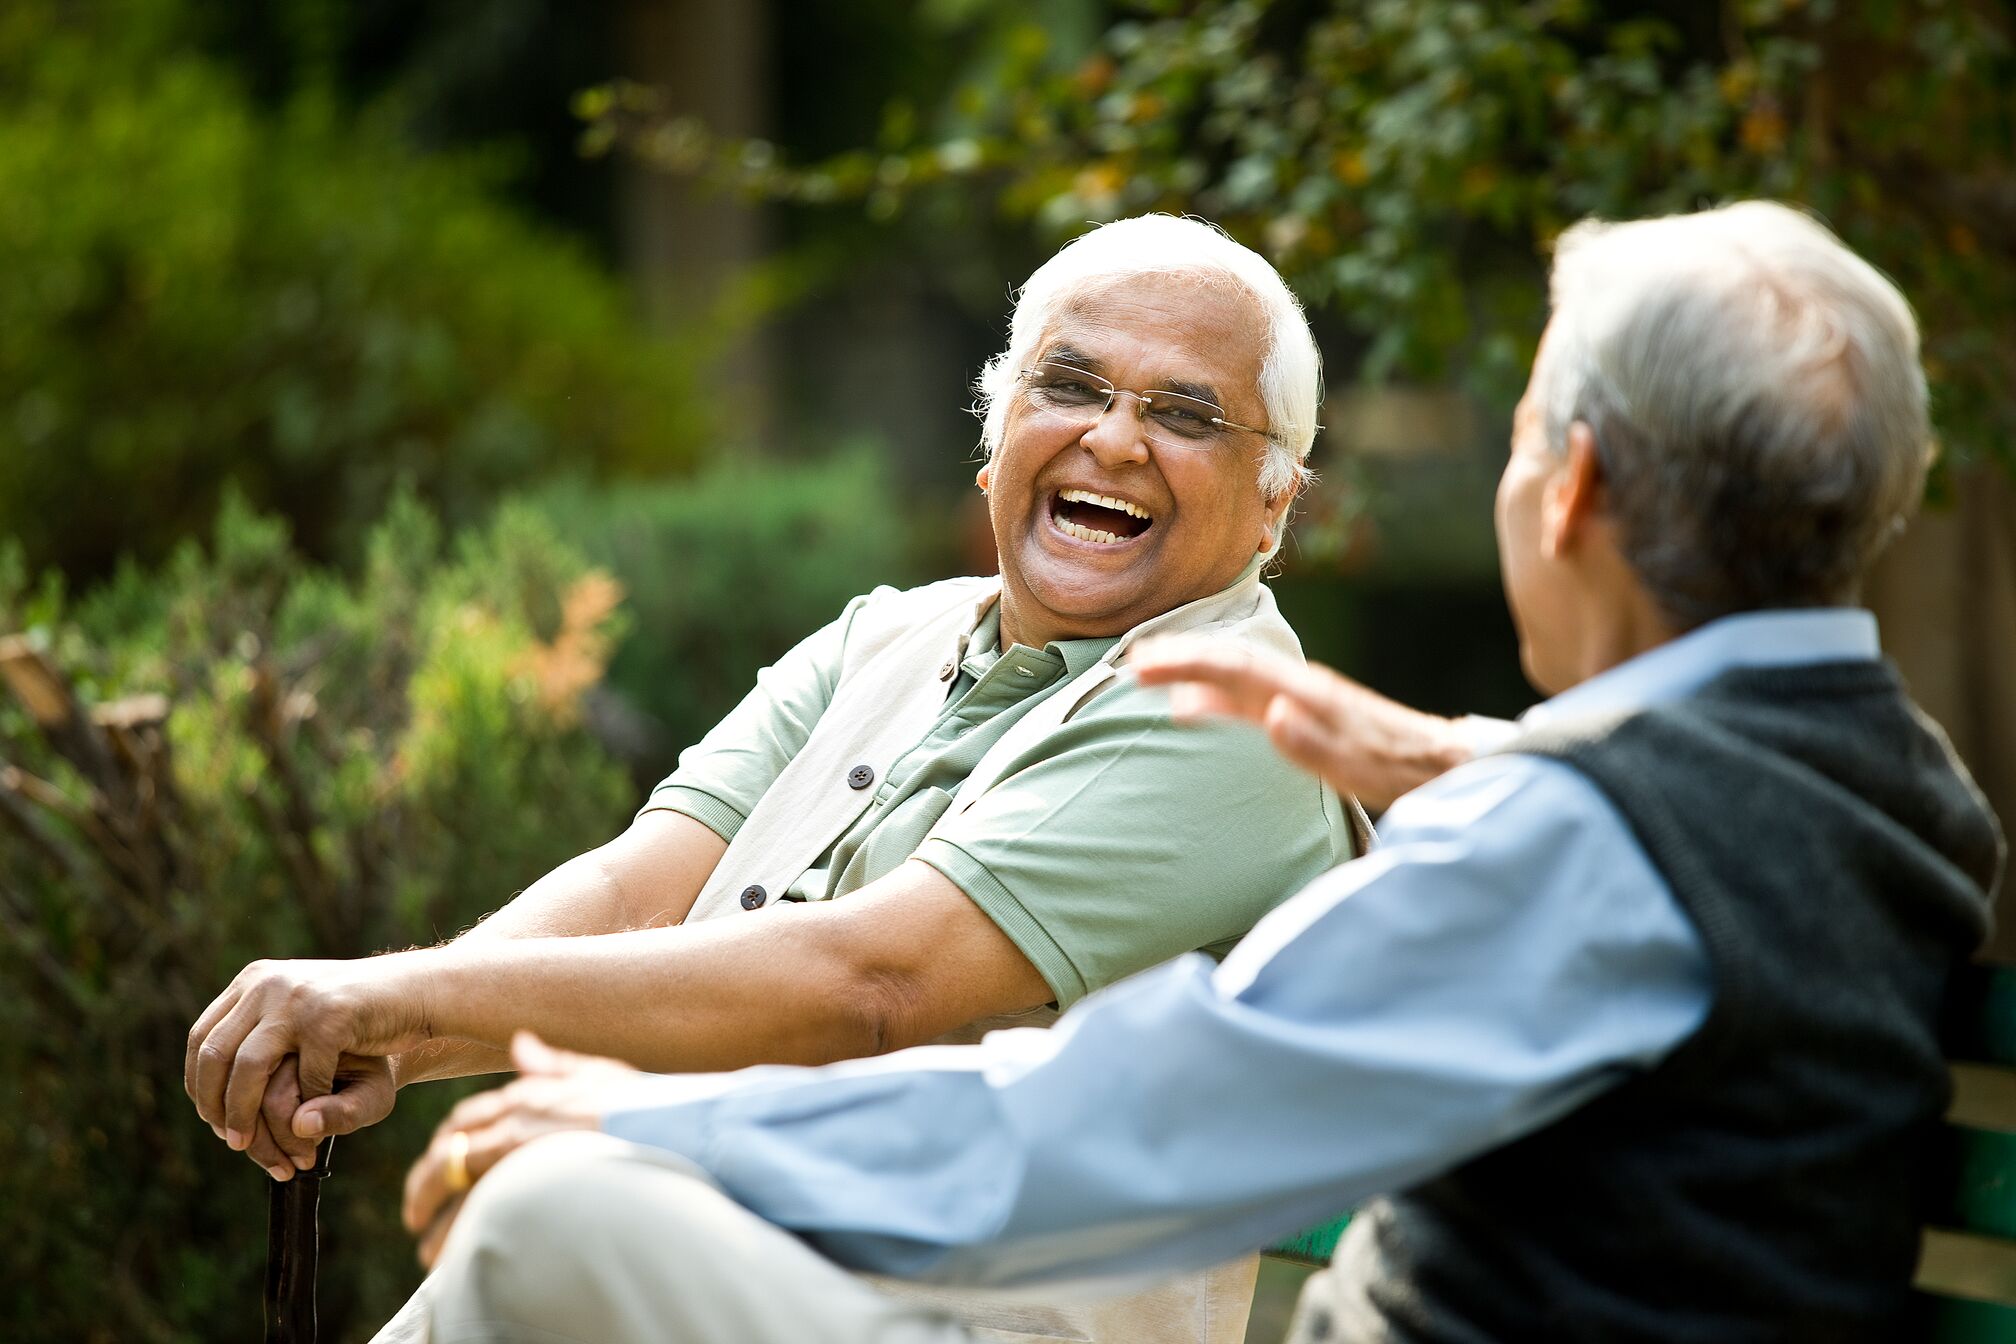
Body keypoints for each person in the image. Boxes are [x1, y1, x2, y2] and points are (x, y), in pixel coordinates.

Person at [392, 201, 2003, 1344]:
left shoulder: (1583, 846)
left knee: (556, 1218)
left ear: (1567, 487)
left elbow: (1132, 1126)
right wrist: (1481, 759)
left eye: (1516, 436)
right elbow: (1687, 849)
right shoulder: (1894, 794)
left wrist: (655, 1126)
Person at [185, 214, 1382, 1344]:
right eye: (1070, 386)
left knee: (551, 1214)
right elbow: (632, 892)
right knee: (550, 1215)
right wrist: (388, 1041)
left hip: (981, 1318)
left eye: (1185, 412)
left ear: (1274, 503)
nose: (1113, 439)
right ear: (994, 432)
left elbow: (873, 981)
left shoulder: (1235, 713)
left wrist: (403, 1007)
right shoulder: (883, 638)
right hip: (742, 1261)